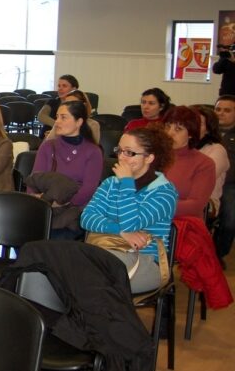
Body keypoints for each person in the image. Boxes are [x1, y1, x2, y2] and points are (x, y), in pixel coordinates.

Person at [81, 127, 177, 293]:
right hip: (105, 251)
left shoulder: (164, 193)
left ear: (149, 158)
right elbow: (87, 218)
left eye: (130, 153)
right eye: (120, 150)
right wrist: (120, 231)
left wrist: (127, 183)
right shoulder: (111, 183)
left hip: (146, 261)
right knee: (57, 265)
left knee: (86, 275)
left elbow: (131, 224)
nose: (121, 157)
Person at [27, 100, 103, 239]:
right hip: (44, 207)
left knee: (56, 239)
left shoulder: (93, 151)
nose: (57, 122)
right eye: (57, 117)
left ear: (79, 121)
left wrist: (60, 201)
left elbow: (88, 190)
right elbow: (34, 181)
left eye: (63, 117)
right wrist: (37, 201)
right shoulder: (48, 146)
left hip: (74, 210)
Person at [162, 106, 216, 219]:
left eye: (178, 129)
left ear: (191, 133)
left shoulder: (204, 163)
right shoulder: (152, 156)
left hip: (182, 224)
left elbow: (195, 206)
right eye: (167, 127)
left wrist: (156, 208)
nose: (170, 133)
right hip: (147, 219)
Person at [195, 104, 230, 213]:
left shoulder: (217, 150)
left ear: (208, 129)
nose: (193, 127)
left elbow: (200, 183)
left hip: (206, 203)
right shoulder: (178, 147)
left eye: (199, 124)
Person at [213, 95, 235, 261]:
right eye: (218, 109)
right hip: (205, 183)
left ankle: (217, 254)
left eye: (227, 110)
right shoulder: (204, 133)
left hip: (230, 184)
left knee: (230, 220)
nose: (221, 113)